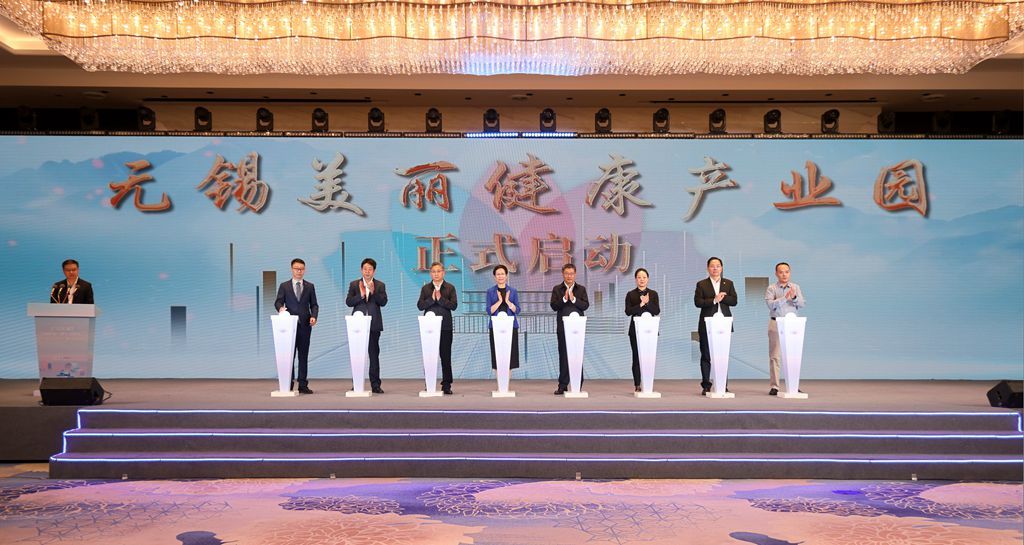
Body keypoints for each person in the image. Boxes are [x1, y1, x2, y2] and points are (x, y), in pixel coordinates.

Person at [274, 258, 319, 394]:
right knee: (289, 356)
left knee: (303, 356)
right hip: (289, 327)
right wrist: (281, 309)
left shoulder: (310, 286)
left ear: (304, 270)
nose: (299, 271)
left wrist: (314, 316)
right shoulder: (284, 286)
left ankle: (303, 384)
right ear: (292, 269)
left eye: (301, 269)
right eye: (296, 269)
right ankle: (288, 383)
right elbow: (278, 302)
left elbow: (314, 305)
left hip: (305, 326)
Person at [694, 256, 738, 396]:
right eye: (712, 266)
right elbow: (698, 302)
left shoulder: (728, 283)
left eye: (718, 266)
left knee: (722, 356)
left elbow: (734, 301)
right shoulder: (702, 284)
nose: (715, 268)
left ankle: (723, 385)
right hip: (707, 324)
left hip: (724, 324)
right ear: (708, 268)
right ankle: (706, 385)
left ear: (722, 268)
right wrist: (714, 300)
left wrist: (722, 298)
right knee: (706, 355)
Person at [346, 258, 388, 394]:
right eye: (365, 269)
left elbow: (383, 302)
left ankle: (375, 385)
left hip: (373, 325)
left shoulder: (380, 285)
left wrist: (373, 291)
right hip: (357, 326)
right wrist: (362, 295)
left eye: (370, 269)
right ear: (361, 270)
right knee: (357, 356)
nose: (367, 272)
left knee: (374, 356)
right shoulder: (354, 284)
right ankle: (357, 384)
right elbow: (348, 302)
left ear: (374, 271)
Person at [417, 262, 458, 395]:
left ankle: (446, 385)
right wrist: (431, 299)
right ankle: (428, 383)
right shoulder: (426, 289)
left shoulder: (450, 288)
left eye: (438, 271)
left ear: (443, 273)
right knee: (429, 356)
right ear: (430, 273)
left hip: (445, 327)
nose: (436, 274)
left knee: (445, 356)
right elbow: (420, 305)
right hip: (428, 329)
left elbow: (454, 306)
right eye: (433, 271)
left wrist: (440, 299)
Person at [765, 262, 806, 395]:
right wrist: (784, 298)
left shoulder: (795, 287)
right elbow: (770, 305)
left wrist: (793, 297)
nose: (784, 274)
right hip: (776, 323)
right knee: (775, 356)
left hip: (792, 325)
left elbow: (802, 304)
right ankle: (775, 386)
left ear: (790, 272)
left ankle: (793, 385)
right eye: (781, 272)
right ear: (776, 274)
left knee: (793, 356)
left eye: (787, 272)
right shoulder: (771, 288)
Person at [550, 263, 589, 395]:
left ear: (575, 274)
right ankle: (563, 385)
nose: (569, 276)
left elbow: (585, 305)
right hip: (563, 327)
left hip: (578, 329)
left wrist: (573, 299)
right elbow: (554, 306)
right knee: (563, 355)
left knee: (577, 355)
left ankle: (577, 384)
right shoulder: (557, 289)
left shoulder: (581, 289)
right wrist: (564, 298)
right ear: (563, 274)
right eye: (566, 273)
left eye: (571, 274)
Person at [625, 267, 661, 392]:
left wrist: (647, 303)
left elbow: (656, 311)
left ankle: (648, 383)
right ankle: (637, 384)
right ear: (636, 279)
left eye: (644, 277)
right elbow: (628, 312)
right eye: (639, 277)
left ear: (648, 279)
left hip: (650, 331)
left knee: (649, 357)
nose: (642, 280)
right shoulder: (631, 294)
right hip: (635, 331)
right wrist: (640, 304)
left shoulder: (653, 294)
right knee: (636, 357)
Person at [486, 264, 520, 372]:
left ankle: (507, 383)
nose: (500, 276)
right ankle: (499, 382)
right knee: (497, 357)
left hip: (511, 327)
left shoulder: (513, 291)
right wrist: (500, 301)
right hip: (495, 327)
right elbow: (489, 311)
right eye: (498, 274)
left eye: (502, 274)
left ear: (506, 275)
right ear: (494, 276)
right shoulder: (490, 291)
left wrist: (508, 302)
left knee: (510, 358)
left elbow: (517, 310)